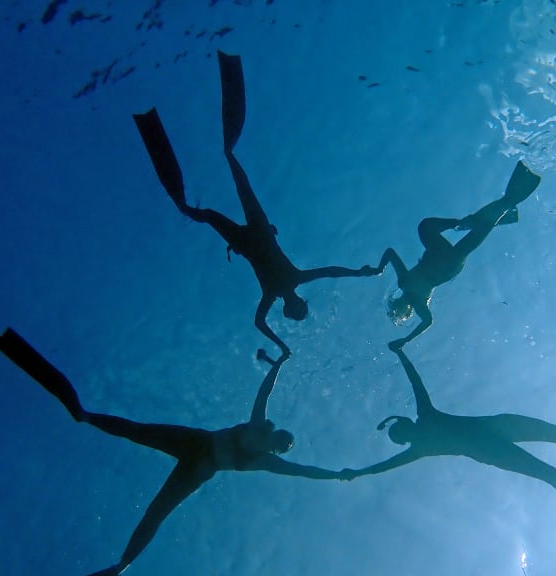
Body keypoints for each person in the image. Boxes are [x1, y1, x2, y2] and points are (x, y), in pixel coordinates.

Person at [0, 328, 347, 576]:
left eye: (281, 448)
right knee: (136, 430)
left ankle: (121, 565)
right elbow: (265, 391)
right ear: (277, 434)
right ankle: (84, 415)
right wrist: (280, 363)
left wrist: (336, 475)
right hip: (195, 443)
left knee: (157, 512)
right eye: (280, 442)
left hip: (198, 467)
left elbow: (303, 472)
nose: (278, 447)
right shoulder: (258, 426)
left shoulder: (266, 461)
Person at [133, 51, 379, 359]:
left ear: (294, 307)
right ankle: (222, 74)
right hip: (258, 233)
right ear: (296, 305)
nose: (295, 304)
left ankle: (156, 124)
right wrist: (360, 272)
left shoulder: (278, 290)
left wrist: (282, 345)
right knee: (228, 175)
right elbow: (329, 273)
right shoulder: (286, 285)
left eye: (296, 308)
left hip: (250, 239)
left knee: (213, 194)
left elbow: (266, 317)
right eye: (297, 307)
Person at [342, 346, 556, 546]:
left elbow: (412, 392)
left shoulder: (421, 442)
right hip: (494, 436)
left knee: (552, 454)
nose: (405, 433)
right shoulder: (422, 434)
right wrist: (399, 352)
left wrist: (357, 472)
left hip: (492, 439)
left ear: (404, 430)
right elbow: (413, 393)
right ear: (404, 425)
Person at [376, 161, 541, 349]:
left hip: (440, 260)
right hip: (446, 266)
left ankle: (480, 218)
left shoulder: (405, 284)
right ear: (404, 310)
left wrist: (378, 268)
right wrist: (406, 340)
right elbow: (427, 322)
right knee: (435, 228)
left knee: (432, 227)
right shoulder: (415, 299)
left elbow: (390, 254)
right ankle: (480, 218)